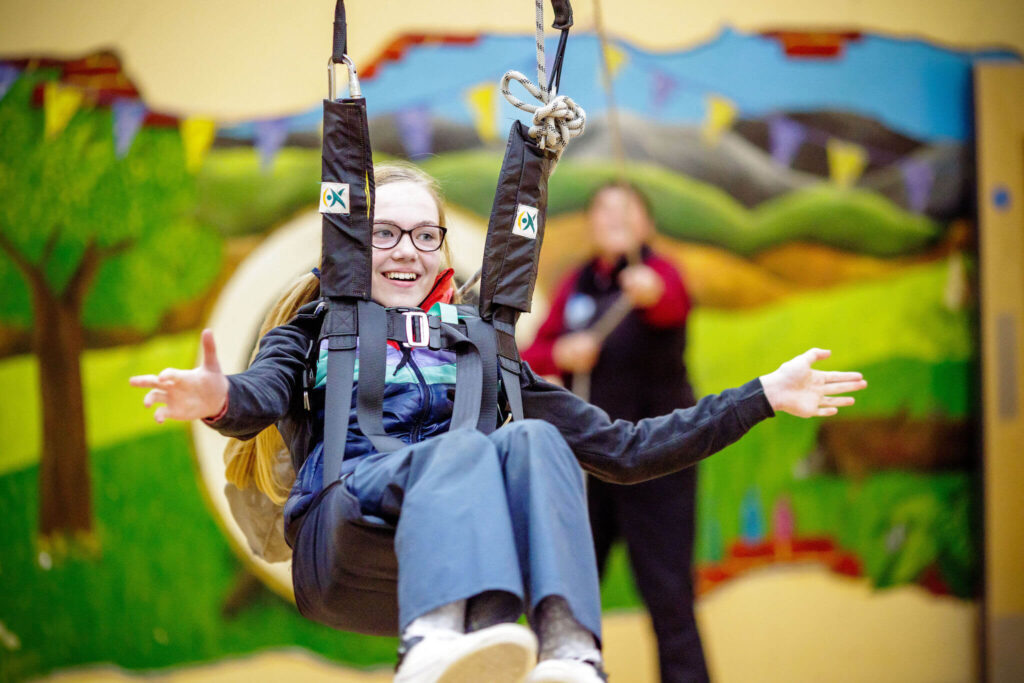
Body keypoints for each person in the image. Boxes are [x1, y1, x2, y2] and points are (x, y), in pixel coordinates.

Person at [130, 162, 866, 683]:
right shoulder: (320, 328)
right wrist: (215, 396)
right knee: (459, 452)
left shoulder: (479, 349)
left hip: (462, 552)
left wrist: (763, 394)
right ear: (352, 245)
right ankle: (430, 639)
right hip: (345, 535)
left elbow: (627, 448)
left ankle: (568, 648)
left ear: (444, 251)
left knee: (538, 438)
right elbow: (258, 392)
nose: (407, 252)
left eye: (425, 236)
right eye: (385, 234)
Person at [523, 182, 707, 683]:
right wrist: (561, 355)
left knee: (670, 599)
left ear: (647, 224)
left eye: (628, 209)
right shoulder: (577, 283)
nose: (615, 217)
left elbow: (672, 304)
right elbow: (531, 354)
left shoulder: (658, 273)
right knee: (573, 596)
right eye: (604, 209)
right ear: (590, 224)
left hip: (662, 463)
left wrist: (649, 291)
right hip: (593, 463)